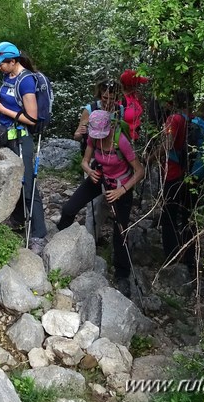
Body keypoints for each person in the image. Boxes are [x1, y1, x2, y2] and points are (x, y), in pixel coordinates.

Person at [58, 109, 145, 296]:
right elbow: (84, 161)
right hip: (99, 178)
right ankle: (59, 245)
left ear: (109, 128)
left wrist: (121, 190)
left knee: (120, 230)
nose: (98, 138)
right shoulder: (93, 138)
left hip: (122, 185)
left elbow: (139, 171)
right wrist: (90, 172)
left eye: (101, 135)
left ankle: (122, 274)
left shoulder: (121, 142)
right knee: (69, 209)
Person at [0, 41, 47, 254]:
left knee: (28, 184)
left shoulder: (26, 81)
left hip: (20, 138)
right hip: (6, 135)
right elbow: (10, 103)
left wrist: (1, 109)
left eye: (1, 64)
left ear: (13, 61)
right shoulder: (9, 77)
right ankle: (17, 220)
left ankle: (39, 234)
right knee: (15, 180)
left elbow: (32, 118)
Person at [73, 79, 124, 240]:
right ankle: (90, 242)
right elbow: (76, 136)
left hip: (115, 163)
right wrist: (80, 132)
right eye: (104, 98)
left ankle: (97, 236)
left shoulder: (120, 110)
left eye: (111, 98)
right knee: (93, 204)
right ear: (100, 95)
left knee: (106, 203)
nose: (107, 102)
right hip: (94, 160)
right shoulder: (90, 109)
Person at [157, 89, 191, 267]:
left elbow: (167, 144)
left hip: (173, 173)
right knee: (185, 215)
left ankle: (171, 255)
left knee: (169, 215)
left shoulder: (174, 119)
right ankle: (188, 256)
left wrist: (151, 156)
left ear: (172, 103)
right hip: (190, 174)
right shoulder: (193, 119)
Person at [119, 69, 148, 142]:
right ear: (131, 85)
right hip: (123, 139)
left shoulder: (134, 96)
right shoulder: (119, 100)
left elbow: (140, 112)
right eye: (137, 84)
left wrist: (140, 101)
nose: (139, 85)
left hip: (135, 138)